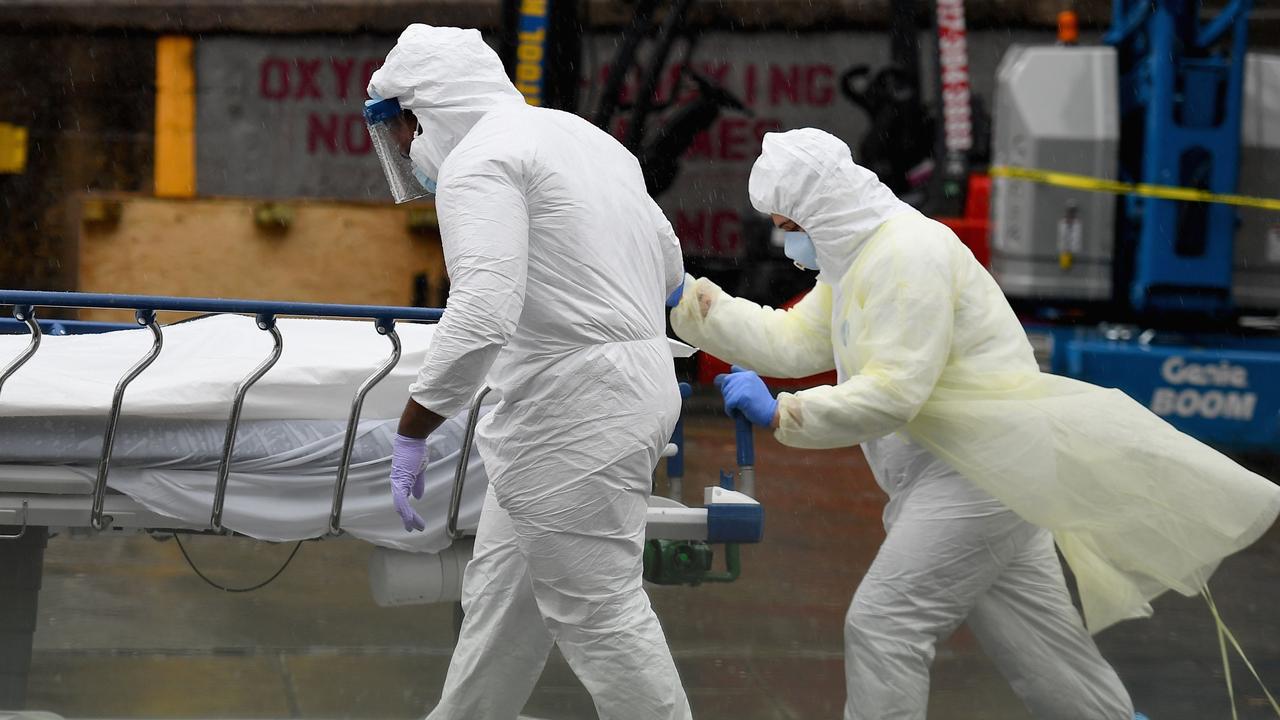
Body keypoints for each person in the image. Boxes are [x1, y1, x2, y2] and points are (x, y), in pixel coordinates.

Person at [670, 128, 1280, 720]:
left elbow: (895, 391)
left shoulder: (908, 253)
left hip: (973, 479)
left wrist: (785, 412)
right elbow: (794, 340)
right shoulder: (855, 261)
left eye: (788, 230)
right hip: (987, 472)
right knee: (1047, 655)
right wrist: (694, 306)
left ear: (821, 212)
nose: (785, 246)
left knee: (885, 624)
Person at [372, 25, 691, 720]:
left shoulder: (480, 161)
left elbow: (483, 311)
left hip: (573, 411)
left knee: (599, 615)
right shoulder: (586, 139)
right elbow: (670, 271)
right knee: (502, 608)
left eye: (399, 129)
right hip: (625, 387)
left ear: (425, 108)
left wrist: (413, 429)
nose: (402, 149)